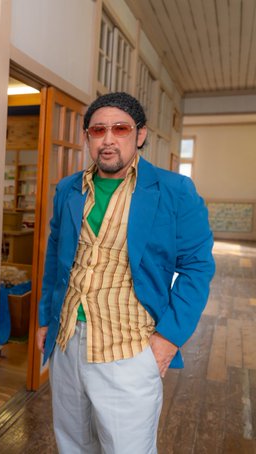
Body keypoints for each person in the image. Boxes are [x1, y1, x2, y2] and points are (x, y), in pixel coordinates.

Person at [36, 92, 215, 453]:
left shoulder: (174, 191)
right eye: (98, 130)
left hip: (128, 348)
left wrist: (168, 338)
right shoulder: (69, 189)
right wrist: (44, 319)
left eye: (120, 129)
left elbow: (197, 268)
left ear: (140, 134)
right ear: (87, 136)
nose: (108, 139)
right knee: (73, 444)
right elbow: (56, 258)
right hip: (67, 342)